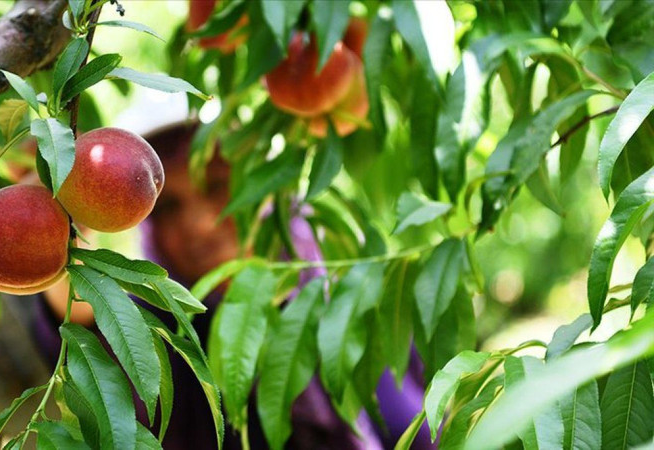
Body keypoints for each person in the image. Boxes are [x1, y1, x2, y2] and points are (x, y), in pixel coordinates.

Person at [38, 120, 435, 449]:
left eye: (217, 184)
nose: (199, 225)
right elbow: (89, 321)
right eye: (169, 206)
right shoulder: (171, 334)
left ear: (269, 190)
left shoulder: (358, 297)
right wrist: (55, 235)